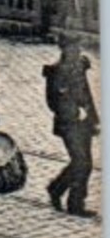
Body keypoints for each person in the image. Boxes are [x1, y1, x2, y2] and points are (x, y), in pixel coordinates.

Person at [44, 36, 98, 218]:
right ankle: (75, 203)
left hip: (84, 123)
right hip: (68, 124)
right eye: (72, 49)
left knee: (85, 163)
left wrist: (93, 118)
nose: (76, 52)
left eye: (78, 48)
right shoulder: (55, 71)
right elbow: (53, 102)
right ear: (64, 50)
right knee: (81, 161)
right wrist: (74, 112)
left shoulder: (80, 66)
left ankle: (57, 188)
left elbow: (87, 93)